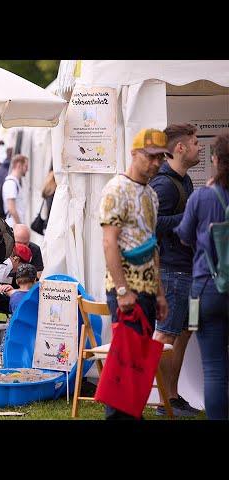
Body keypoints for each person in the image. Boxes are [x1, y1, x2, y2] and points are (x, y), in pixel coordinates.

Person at [99, 128, 169, 420]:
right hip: (126, 290)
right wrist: (122, 289)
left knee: (137, 362)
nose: (155, 163)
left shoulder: (151, 193)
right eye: (150, 157)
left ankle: (132, 414)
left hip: (148, 290)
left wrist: (161, 293)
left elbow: (153, 246)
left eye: (160, 158)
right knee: (124, 362)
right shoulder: (116, 189)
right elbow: (109, 241)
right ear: (134, 154)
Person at [174, 131, 229, 420]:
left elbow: (183, 235)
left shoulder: (203, 197)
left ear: (216, 160)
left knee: (215, 368)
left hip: (207, 286)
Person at [149, 123, 202, 417]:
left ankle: (171, 396)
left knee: (184, 333)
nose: (199, 147)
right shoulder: (164, 185)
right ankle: (156, 398)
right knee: (166, 336)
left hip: (189, 271)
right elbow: (152, 224)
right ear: (180, 147)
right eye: (194, 143)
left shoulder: (187, 180)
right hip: (171, 273)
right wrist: (188, 216)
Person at [0, 263, 39, 351]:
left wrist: (4, 287)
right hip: (32, 333)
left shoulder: (13, 293)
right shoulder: (38, 295)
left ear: (17, 281)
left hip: (15, 332)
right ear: (34, 280)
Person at [0, 243, 33, 322]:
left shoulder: (11, 264)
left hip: (3, 301)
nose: (23, 269)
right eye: (22, 265)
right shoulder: (7, 264)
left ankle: (6, 319)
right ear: (17, 259)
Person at [2, 154, 29, 228]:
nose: (27, 169)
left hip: (14, 225)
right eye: (26, 166)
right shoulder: (11, 183)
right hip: (14, 226)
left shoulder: (14, 182)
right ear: (19, 165)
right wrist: (20, 226)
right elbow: (11, 208)